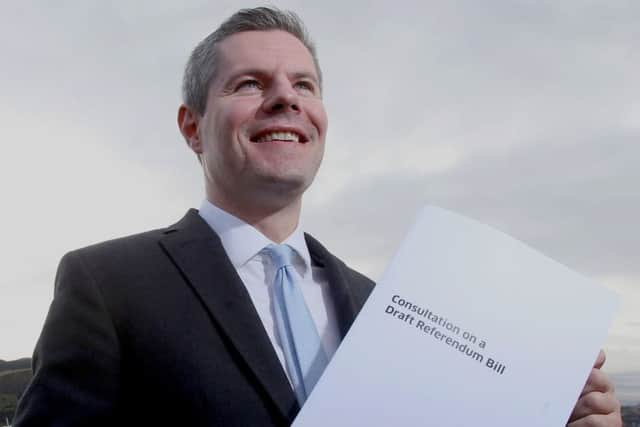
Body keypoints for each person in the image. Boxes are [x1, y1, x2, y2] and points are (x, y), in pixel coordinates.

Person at [13, 7, 621, 427]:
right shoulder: (109, 284)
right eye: (250, 83)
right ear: (192, 127)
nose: (287, 98)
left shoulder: (389, 307)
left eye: (304, 84)